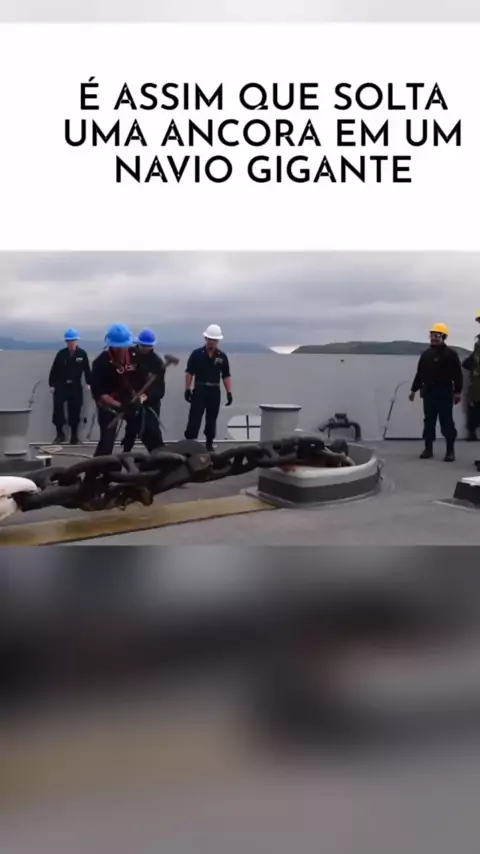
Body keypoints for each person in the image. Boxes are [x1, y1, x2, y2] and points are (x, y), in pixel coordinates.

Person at [89, 323, 164, 457]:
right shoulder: (100, 363)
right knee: (107, 442)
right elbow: (101, 394)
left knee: (151, 434)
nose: (121, 350)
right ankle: (97, 468)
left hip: (132, 402)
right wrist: (120, 406)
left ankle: (162, 461)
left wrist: (141, 399)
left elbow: (146, 385)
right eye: (117, 347)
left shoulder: (136, 356)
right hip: (110, 405)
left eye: (123, 346)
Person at [409, 322, 463, 461]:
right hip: (429, 393)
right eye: (432, 335)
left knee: (447, 422)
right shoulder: (426, 354)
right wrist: (413, 390)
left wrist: (458, 391)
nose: (433, 338)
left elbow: (457, 374)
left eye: (436, 335)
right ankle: (428, 449)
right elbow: (420, 374)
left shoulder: (451, 354)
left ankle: (450, 451)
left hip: (445, 393)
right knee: (429, 422)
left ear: (443, 337)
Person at [122, 328, 179, 452]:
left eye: (148, 346)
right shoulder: (129, 355)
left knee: (152, 432)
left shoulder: (157, 362)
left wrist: (143, 398)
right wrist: (129, 394)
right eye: (143, 345)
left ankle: (160, 456)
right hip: (131, 400)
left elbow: (159, 390)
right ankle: (125, 454)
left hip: (149, 405)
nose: (145, 348)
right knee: (130, 430)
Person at [184, 324, 232, 451]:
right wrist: (187, 389)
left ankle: (209, 444)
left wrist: (229, 392)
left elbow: (226, 375)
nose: (211, 341)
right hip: (200, 389)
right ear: (205, 338)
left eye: (214, 340)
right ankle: (190, 444)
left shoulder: (222, 356)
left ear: (218, 341)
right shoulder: (196, 354)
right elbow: (189, 372)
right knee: (194, 418)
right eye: (209, 339)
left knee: (212, 419)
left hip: (214, 391)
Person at [48, 328, 91, 445]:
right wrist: (52, 384)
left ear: (77, 341)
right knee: (58, 410)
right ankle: (59, 434)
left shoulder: (82, 354)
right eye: (68, 341)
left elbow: (87, 370)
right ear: (66, 342)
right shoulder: (61, 354)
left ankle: (74, 436)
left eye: (73, 341)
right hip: (61, 385)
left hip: (75, 386)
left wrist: (88, 382)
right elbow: (54, 370)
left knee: (75, 411)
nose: (71, 343)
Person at [461, 311, 480, 441]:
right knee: (473, 404)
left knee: (474, 404)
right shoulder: (478, 343)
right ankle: (472, 431)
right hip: (477, 382)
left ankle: (472, 431)